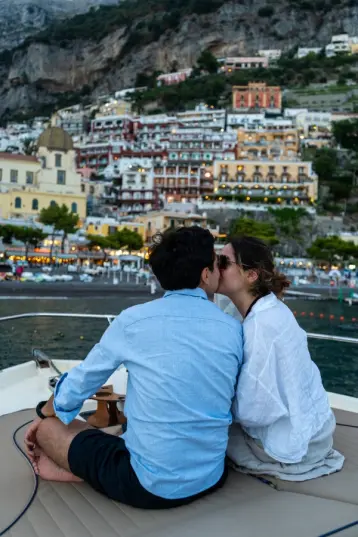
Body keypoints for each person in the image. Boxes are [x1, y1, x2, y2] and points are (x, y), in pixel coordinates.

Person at [25, 226, 243, 508]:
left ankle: (78, 470)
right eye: (216, 264)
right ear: (205, 275)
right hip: (211, 474)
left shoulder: (133, 321)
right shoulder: (233, 329)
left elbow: (81, 382)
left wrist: (44, 412)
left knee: (47, 427)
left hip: (150, 487)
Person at [217, 235, 344, 481]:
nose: (216, 268)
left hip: (295, 444)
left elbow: (253, 411)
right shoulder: (272, 308)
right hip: (316, 431)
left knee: (208, 428)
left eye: (224, 262)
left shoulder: (260, 326)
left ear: (251, 275)